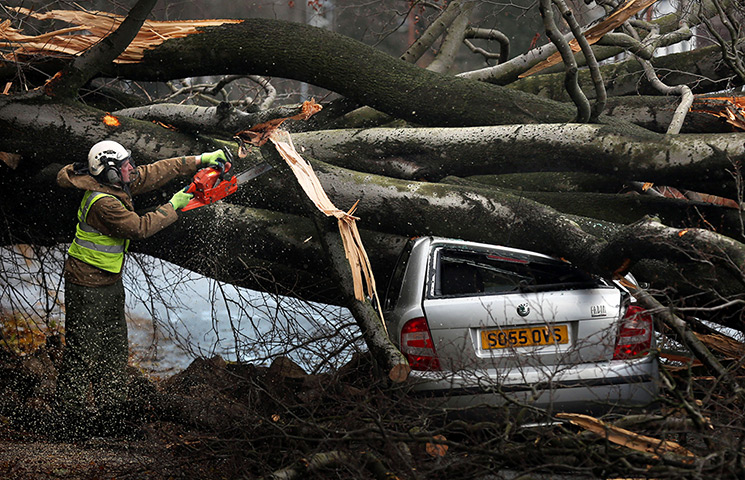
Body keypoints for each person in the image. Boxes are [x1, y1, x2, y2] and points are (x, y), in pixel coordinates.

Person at [55, 140, 226, 427]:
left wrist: (199, 160)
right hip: (86, 284)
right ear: (110, 172)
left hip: (108, 280)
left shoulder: (113, 182)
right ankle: (67, 418)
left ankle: (112, 411)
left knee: (114, 347)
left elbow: (155, 171)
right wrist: (175, 205)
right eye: (125, 166)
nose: (131, 169)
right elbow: (139, 228)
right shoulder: (103, 202)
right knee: (82, 350)